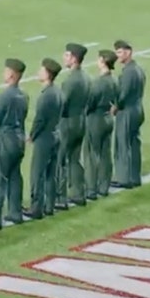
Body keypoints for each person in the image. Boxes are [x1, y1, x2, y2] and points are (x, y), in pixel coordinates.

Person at [0, 59, 29, 229]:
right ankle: (15, 212)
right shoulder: (23, 95)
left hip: (4, 138)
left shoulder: (4, 96)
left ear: (11, 74)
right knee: (15, 176)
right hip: (19, 138)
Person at [26, 58, 62, 220]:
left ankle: (36, 208)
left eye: (41, 70)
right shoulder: (58, 92)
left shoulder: (46, 95)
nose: (38, 72)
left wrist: (32, 135)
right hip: (55, 134)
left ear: (48, 74)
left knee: (37, 173)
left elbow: (40, 119)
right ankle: (50, 205)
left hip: (44, 138)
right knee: (51, 173)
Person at [56, 43, 89, 208]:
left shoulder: (70, 80)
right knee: (75, 159)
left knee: (60, 160)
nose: (64, 57)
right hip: (81, 121)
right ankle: (79, 193)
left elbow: (63, 104)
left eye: (67, 55)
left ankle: (60, 198)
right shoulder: (85, 77)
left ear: (74, 58)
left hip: (68, 123)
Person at [111, 40, 146, 189]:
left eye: (120, 52)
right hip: (137, 108)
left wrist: (116, 106)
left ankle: (124, 178)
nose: (117, 55)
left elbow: (123, 94)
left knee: (123, 145)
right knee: (134, 144)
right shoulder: (138, 69)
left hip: (127, 111)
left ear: (128, 52)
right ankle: (134, 177)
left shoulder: (128, 71)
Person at [84, 51, 117, 201]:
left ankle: (91, 189)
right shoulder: (114, 80)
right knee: (105, 153)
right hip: (108, 118)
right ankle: (104, 186)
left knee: (92, 154)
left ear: (103, 61)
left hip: (96, 118)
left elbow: (90, 103)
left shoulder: (98, 83)